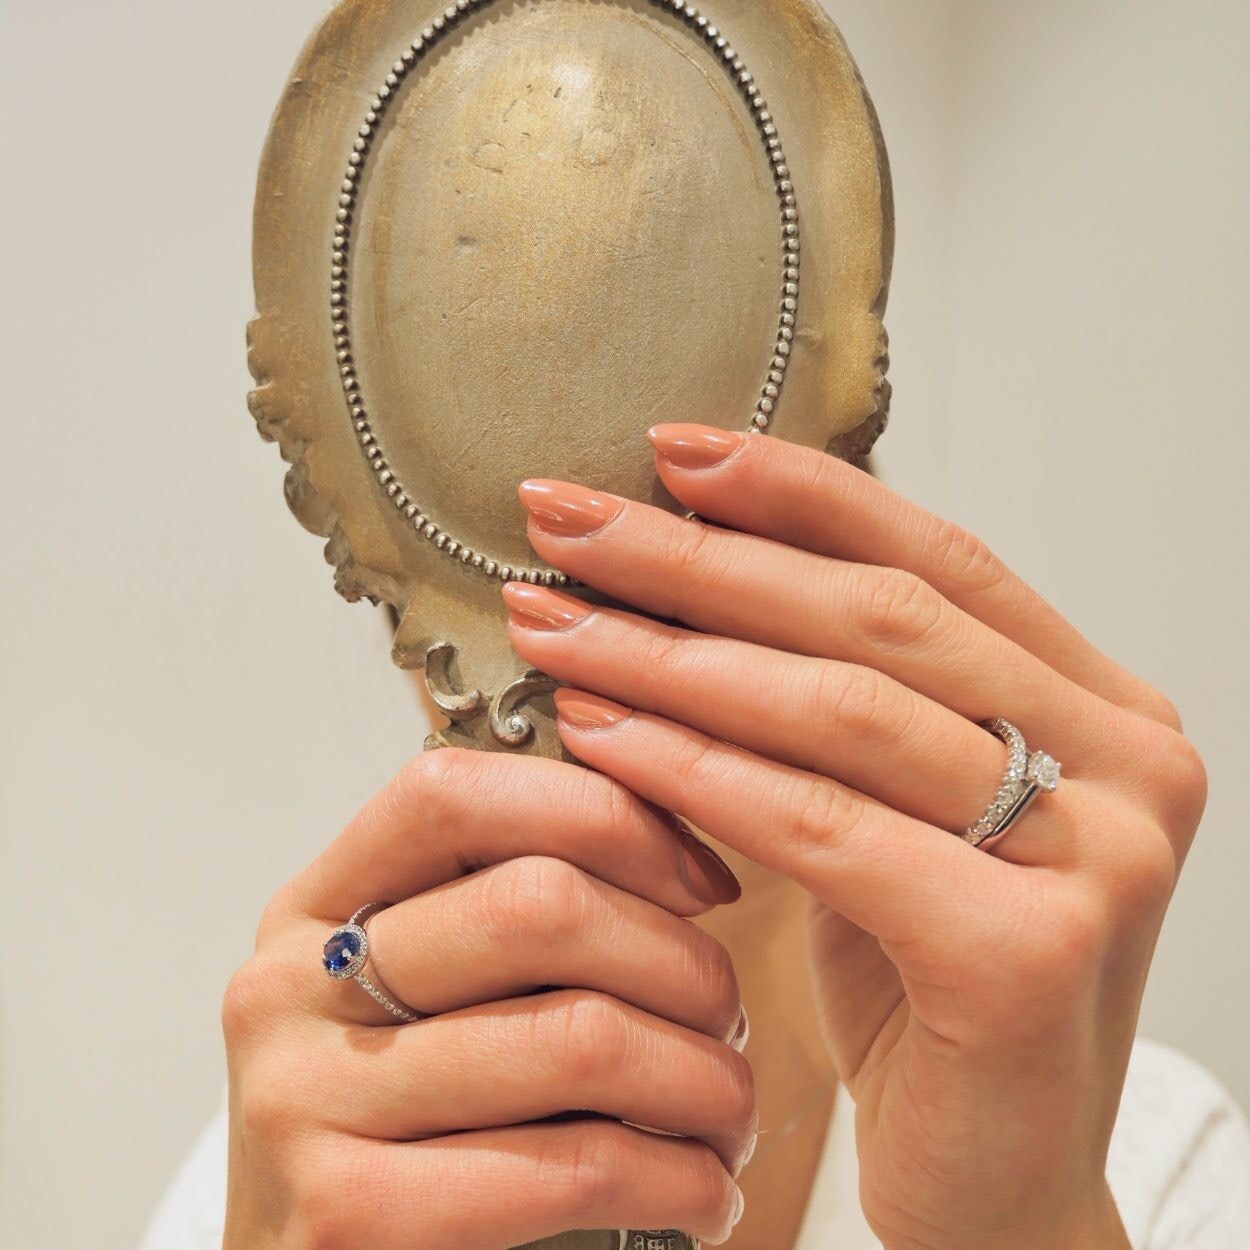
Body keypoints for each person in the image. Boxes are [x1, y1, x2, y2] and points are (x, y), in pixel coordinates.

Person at [140, 426, 1250, 1249]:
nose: (619, 639)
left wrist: (1024, 1228)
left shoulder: (1142, 1155)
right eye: (540, 594)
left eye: (693, 553)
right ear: (427, 658)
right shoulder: (327, 1160)